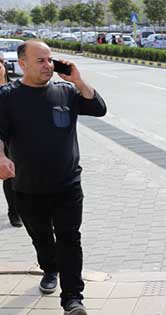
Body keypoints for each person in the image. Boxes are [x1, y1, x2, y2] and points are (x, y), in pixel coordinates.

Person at [0, 40, 107, 315]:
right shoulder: (7, 96)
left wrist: (79, 81)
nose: (48, 65)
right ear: (22, 64)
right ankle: (49, 268)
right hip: (27, 186)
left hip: (67, 184)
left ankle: (72, 297)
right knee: (42, 238)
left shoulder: (66, 91)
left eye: (50, 60)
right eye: (41, 61)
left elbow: (98, 108)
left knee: (70, 238)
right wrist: (1, 157)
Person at [0, 53, 21, 228]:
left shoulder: (13, 88)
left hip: (9, 139)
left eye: (0, 63)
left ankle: (14, 212)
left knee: (11, 175)